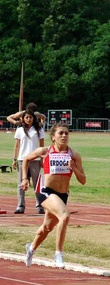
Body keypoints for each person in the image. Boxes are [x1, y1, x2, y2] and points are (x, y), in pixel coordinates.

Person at [21, 123, 86, 268]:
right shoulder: (45, 151)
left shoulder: (74, 155)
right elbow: (26, 159)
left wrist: (73, 168)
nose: (64, 136)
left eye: (66, 133)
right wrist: (25, 179)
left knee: (47, 228)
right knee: (65, 216)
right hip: (45, 191)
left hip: (62, 194)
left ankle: (31, 248)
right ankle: (58, 254)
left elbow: (83, 180)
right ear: (53, 137)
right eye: (61, 133)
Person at [12, 107, 45, 214]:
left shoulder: (39, 130)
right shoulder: (20, 130)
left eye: (30, 117)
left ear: (33, 118)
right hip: (22, 160)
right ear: (23, 119)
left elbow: (42, 145)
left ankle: (40, 205)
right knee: (21, 184)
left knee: (37, 183)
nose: (29, 119)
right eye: (26, 117)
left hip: (35, 160)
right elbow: (17, 146)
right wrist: (14, 159)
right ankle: (20, 206)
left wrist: (41, 159)